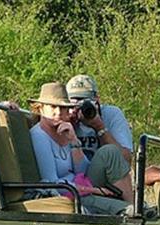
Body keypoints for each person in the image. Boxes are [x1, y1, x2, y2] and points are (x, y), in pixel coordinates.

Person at [28, 82, 131, 215]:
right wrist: (95, 191)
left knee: (110, 151)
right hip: (67, 196)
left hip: (80, 186)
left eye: (62, 108)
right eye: (53, 107)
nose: (58, 112)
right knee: (122, 208)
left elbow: (81, 171)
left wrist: (74, 141)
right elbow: (52, 183)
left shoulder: (65, 129)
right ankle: (132, 212)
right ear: (41, 109)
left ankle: (135, 206)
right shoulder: (39, 136)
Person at [65, 73, 133, 164]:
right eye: (73, 102)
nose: (78, 107)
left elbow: (125, 160)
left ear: (97, 99)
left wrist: (99, 127)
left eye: (84, 101)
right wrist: (69, 124)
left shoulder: (111, 114)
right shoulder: (62, 115)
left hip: (103, 173)